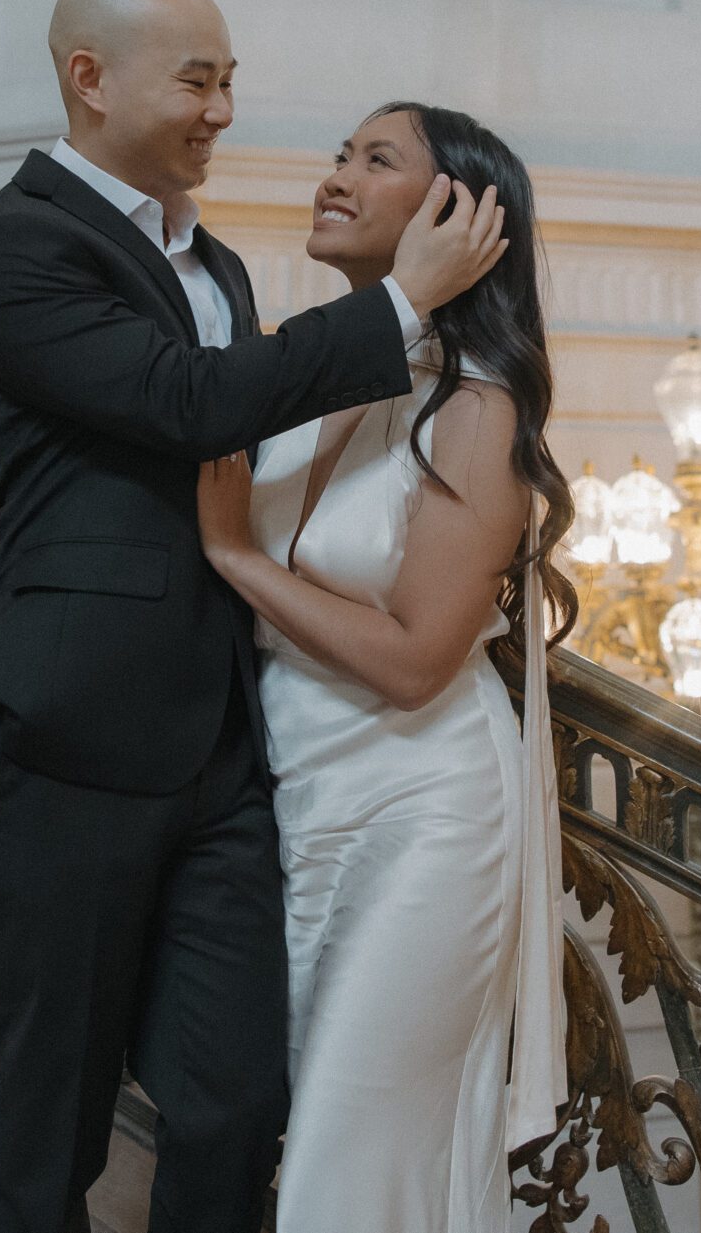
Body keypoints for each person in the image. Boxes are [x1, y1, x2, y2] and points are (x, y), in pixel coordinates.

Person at [0, 0, 507, 1233]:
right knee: (53, 1129)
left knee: (231, 1105)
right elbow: (189, 408)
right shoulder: (17, 248)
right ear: (91, 79)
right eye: (199, 79)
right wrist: (402, 299)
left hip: (224, 763)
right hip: (65, 743)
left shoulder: (222, 266)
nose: (223, 109)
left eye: (229, 80)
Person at [195, 101, 574, 1231]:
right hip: (294, 795)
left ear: (457, 211)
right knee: (308, 1126)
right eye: (337, 155)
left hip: (425, 808)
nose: (336, 176)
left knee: (348, 1159)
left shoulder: (479, 404)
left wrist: (228, 553)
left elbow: (417, 661)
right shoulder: (309, 366)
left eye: (376, 160)